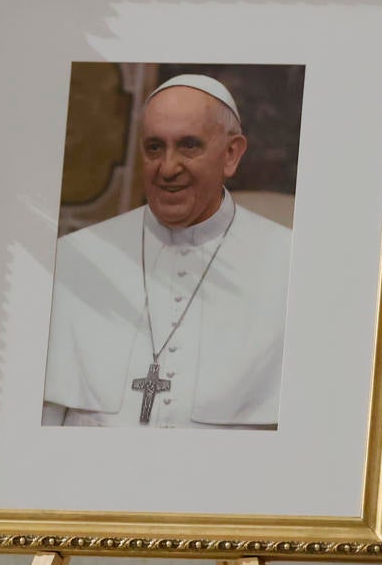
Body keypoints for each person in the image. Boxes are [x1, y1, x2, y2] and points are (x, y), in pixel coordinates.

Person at [42, 74, 293, 429]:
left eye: (189, 146)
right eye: (154, 148)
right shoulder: (75, 259)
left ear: (231, 154)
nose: (168, 168)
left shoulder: (290, 266)